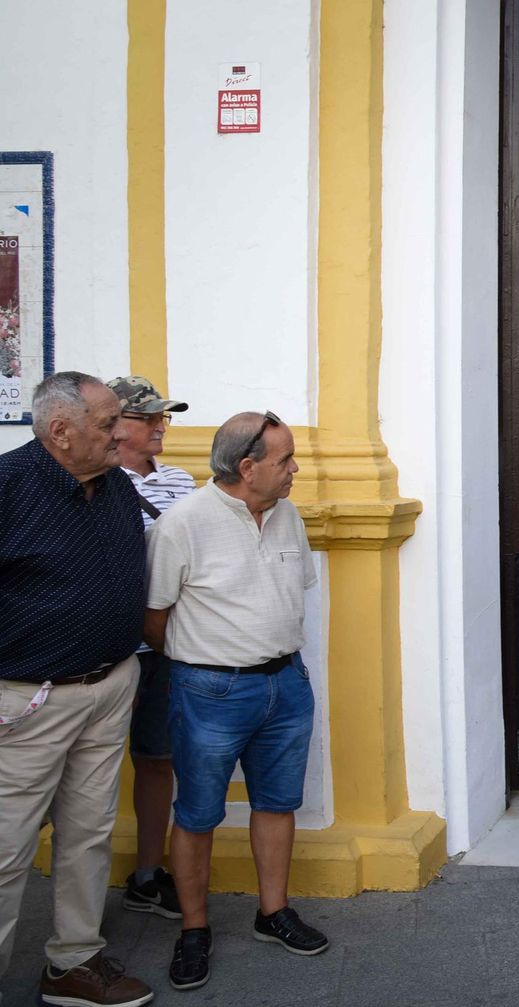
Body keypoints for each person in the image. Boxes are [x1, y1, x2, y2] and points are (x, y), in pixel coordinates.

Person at [145, 411, 328, 991]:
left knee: (278, 803)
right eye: (285, 460)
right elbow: (155, 617)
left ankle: (272, 913)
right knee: (198, 813)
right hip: (209, 692)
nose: (295, 467)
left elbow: (288, 593)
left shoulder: (287, 514)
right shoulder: (183, 523)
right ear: (248, 468)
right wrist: (204, 662)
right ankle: (193, 929)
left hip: (287, 685)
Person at [0, 373, 155, 1007]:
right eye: (105, 424)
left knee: (89, 833)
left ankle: (73, 963)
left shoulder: (114, 480)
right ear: (60, 431)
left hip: (110, 684)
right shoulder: (9, 487)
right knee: (6, 850)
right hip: (28, 698)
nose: (120, 433)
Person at [106, 375, 195, 921]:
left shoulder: (181, 481)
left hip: (167, 641)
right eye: (148, 418)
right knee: (88, 765)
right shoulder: (94, 482)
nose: (160, 425)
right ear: (114, 426)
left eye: (163, 416)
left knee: (157, 758)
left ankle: (146, 873)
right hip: (116, 643)